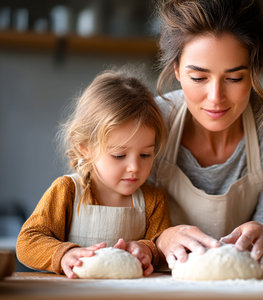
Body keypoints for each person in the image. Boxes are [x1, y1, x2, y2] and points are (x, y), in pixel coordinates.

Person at [151, 0, 263, 273]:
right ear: (177, 70)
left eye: (235, 78)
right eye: (199, 78)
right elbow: (117, 224)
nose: (216, 98)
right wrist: (159, 239)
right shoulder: (149, 122)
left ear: (254, 71)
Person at [16, 69, 171, 279]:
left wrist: (147, 251)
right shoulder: (68, 191)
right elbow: (27, 242)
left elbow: (162, 248)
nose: (135, 166)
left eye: (145, 154)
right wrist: (64, 254)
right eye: (119, 155)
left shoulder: (153, 201)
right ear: (85, 148)